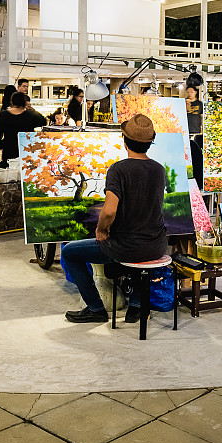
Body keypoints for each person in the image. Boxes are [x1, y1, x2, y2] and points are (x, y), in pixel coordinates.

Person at [62, 114, 168, 324]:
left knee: (69, 253)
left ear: (124, 138)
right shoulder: (159, 169)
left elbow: (109, 211)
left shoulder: (119, 169)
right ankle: (136, 306)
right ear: (150, 142)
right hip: (157, 246)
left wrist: (101, 230)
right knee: (140, 254)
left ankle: (95, 308)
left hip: (126, 247)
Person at [0, 92, 47, 167]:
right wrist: (31, 109)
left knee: (10, 174)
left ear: (11, 102)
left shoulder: (3, 115)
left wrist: (1, 145)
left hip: (9, 149)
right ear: (24, 102)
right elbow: (43, 121)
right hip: (26, 148)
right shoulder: (30, 115)